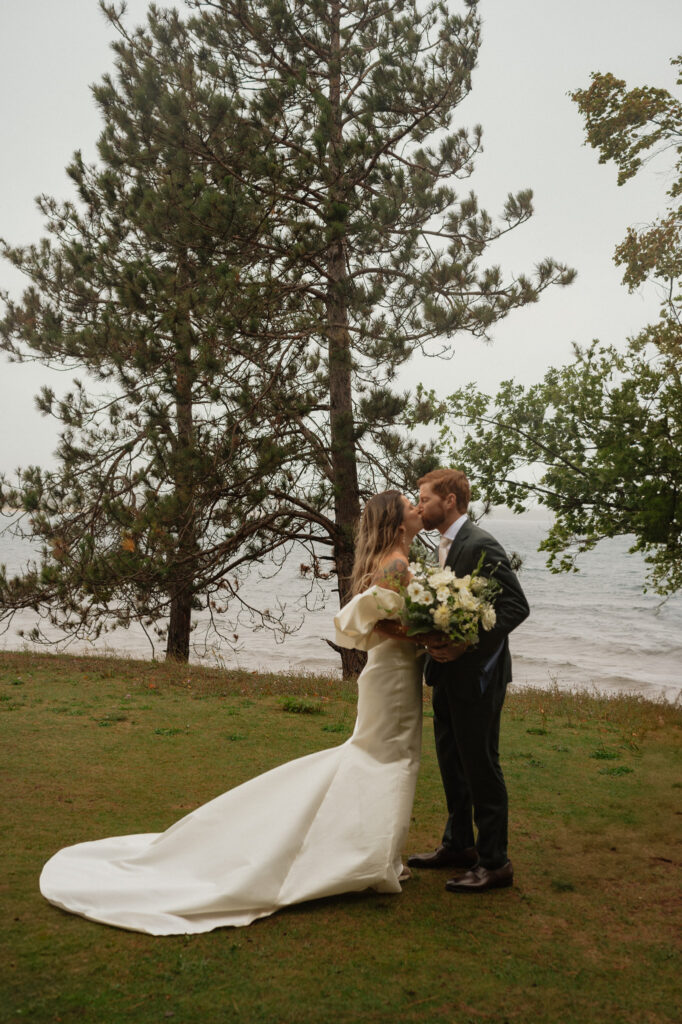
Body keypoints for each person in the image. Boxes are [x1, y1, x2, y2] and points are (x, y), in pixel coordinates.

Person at [39, 491, 427, 935]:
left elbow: (380, 622)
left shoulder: (391, 559)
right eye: (410, 504)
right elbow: (388, 626)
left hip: (390, 673)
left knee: (387, 757)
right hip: (392, 676)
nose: (418, 508)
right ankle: (374, 860)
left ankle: (380, 857)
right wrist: (435, 633)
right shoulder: (396, 564)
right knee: (389, 758)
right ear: (397, 522)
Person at [407, 469, 529, 893]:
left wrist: (465, 645)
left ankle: (495, 861)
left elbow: (516, 607)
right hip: (446, 674)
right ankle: (459, 845)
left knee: (480, 765)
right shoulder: (444, 544)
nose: (419, 505)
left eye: (424, 498)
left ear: (451, 501)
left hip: (479, 675)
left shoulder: (480, 543)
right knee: (452, 763)